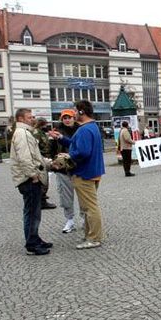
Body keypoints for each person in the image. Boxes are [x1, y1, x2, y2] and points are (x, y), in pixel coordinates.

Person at [52, 100, 106, 250]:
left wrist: (68, 156)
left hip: (84, 173)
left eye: (75, 111)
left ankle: (94, 238)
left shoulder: (84, 129)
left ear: (82, 111)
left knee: (89, 207)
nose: (73, 114)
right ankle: (90, 234)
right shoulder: (92, 127)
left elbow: (82, 151)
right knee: (88, 207)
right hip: (92, 172)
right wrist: (62, 139)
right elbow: (80, 146)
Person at [10, 108, 60, 255]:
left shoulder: (24, 133)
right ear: (21, 119)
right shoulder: (22, 134)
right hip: (29, 180)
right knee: (32, 213)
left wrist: (50, 163)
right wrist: (33, 176)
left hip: (29, 178)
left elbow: (35, 156)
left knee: (34, 212)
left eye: (33, 117)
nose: (33, 119)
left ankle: (35, 238)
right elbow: (25, 158)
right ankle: (32, 244)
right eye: (29, 117)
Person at [53, 109, 79, 233]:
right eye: (65, 118)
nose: (67, 120)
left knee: (83, 196)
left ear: (74, 118)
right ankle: (70, 220)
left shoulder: (80, 130)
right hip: (63, 169)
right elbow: (52, 149)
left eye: (69, 117)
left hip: (79, 168)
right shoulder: (57, 131)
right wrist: (53, 164)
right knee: (65, 196)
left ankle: (86, 219)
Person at [32, 118, 57, 209]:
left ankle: (42, 199)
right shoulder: (36, 133)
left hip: (46, 159)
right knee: (43, 181)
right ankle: (41, 201)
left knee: (45, 180)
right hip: (41, 160)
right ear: (41, 124)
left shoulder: (42, 133)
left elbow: (46, 144)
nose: (46, 126)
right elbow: (35, 147)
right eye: (45, 124)